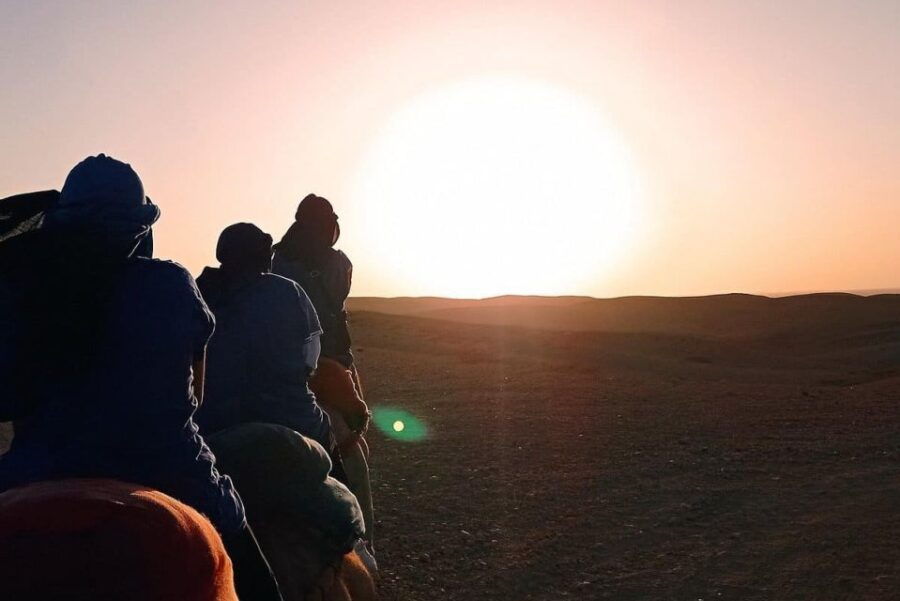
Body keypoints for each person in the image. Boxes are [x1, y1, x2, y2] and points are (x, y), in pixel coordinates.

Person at [0, 155, 283, 601]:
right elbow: (198, 396)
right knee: (257, 583)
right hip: (174, 474)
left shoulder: (24, 290)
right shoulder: (170, 284)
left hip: (33, 471)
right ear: (139, 227)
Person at [273, 194, 376, 555]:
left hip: (292, 366)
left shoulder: (280, 262)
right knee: (350, 445)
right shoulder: (338, 263)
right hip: (333, 365)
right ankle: (360, 546)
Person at [194, 223, 332, 452]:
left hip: (211, 422)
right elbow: (310, 361)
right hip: (291, 418)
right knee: (329, 439)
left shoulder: (198, 292)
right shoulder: (289, 291)